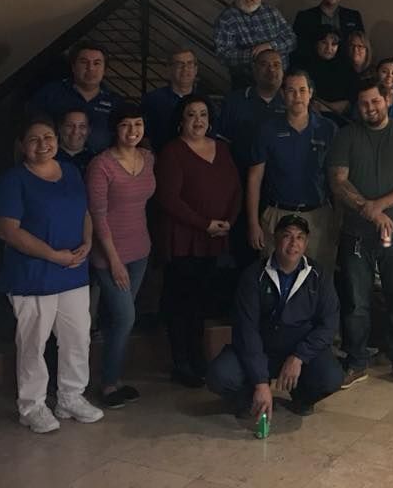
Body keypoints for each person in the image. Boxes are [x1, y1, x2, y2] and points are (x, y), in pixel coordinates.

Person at [0, 114, 103, 434]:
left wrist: (88, 242)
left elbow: (84, 211)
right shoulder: (13, 180)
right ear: (22, 146)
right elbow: (7, 231)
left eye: (48, 137)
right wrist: (54, 255)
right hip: (32, 275)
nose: (43, 144)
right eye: (34, 139)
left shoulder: (69, 171)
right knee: (33, 342)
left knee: (77, 336)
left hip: (72, 273)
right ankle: (32, 404)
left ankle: (70, 396)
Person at [328, 78, 393, 389]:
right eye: (364, 103)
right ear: (357, 107)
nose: (371, 108)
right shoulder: (346, 136)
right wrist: (368, 211)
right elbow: (338, 181)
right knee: (357, 302)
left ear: (385, 100)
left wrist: (379, 206)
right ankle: (357, 361)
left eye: (375, 101)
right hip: (356, 234)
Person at [206, 215, 343, 419]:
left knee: (331, 377)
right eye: (287, 236)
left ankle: (302, 397)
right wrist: (261, 383)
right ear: (275, 240)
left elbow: (329, 324)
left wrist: (299, 357)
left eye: (299, 237)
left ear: (306, 243)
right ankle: (249, 398)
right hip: (262, 349)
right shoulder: (253, 276)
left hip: (298, 351)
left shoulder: (319, 276)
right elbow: (247, 330)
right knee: (219, 375)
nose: (293, 243)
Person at [155, 94, 243, 388]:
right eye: (191, 114)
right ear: (181, 120)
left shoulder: (223, 149)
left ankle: (197, 358)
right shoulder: (172, 151)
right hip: (185, 239)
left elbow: (236, 189)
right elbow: (169, 198)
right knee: (182, 304)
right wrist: (204, 224)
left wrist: (228, 221)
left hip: (215, 239)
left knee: (201, 302)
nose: (198, 120)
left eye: (203, 114)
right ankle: (182, 362)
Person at [86, 103, 156, 409]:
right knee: (126, 317)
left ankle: (110, 377)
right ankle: (109, 383)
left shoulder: (149, 158)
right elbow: (98, 216)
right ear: (115, 128)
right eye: (126, 125)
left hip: (140, 249)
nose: (132, 131)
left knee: (119, 319)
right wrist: (113, 260)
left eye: (138, 124)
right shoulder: (101, 165)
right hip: (108, 253)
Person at [246, 70, 338, 271]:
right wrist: (253, 223)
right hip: (277, 215)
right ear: (282, 94)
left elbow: (337, 178)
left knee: (318, 279)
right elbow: (255, 178)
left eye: (302, 90)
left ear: (311, 93)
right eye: (291, 90)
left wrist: (338, 219)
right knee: (273, 278)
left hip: (318, 217)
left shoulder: (328, 129)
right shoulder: (267, 129)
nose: (297, 96)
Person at [30, 41, 121, 154]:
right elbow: (30, 132)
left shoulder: (115, 102)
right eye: (84, 62)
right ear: (73, 66)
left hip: (100, 168)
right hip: (56, 167)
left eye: (97, 63)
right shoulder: (50, 93)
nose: (90, 68)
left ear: (105, 69)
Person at [213, 0, 296, 88]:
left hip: (281, 80)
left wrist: (270, 47)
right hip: (247, 83)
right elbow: (222, 55)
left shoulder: (272, 12)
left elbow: (292, 40)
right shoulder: (226, 19)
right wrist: (255, 54)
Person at [219, 48, 286, 174]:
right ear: (254, 70)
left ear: (283, 71)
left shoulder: (292, 103)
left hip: (281, 184)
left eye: (276, 65)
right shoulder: (235, 101)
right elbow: (221, 145)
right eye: (264, 64)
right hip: (240, 177)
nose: (271, 69)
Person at [291, 0, 364, 64]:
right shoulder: (304, 17)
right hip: (314, 68)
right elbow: (298, 48)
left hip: (346, 67)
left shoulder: (353, 16)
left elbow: (361, 46)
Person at [141, 48, 198, 154]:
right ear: (169, 70)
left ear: (196, 70)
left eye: (190, 64)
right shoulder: (152, 100)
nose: (185, 69)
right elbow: (144, 136)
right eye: (179, 64)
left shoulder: (205, 102)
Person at [307, 26, 353, 120]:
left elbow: (349, 104)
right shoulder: (305, 67)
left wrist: (325, 107)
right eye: (324, 42)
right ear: (316, 43)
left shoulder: (346, 68)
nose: (329, 48)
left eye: (334, 44)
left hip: (342, 120)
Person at [57, 108, 94, 176]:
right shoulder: (48, 157)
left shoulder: (96, 160)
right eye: (70, 126)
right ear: (60, 128)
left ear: (89, 131)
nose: (75, 132)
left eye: (82, 126)